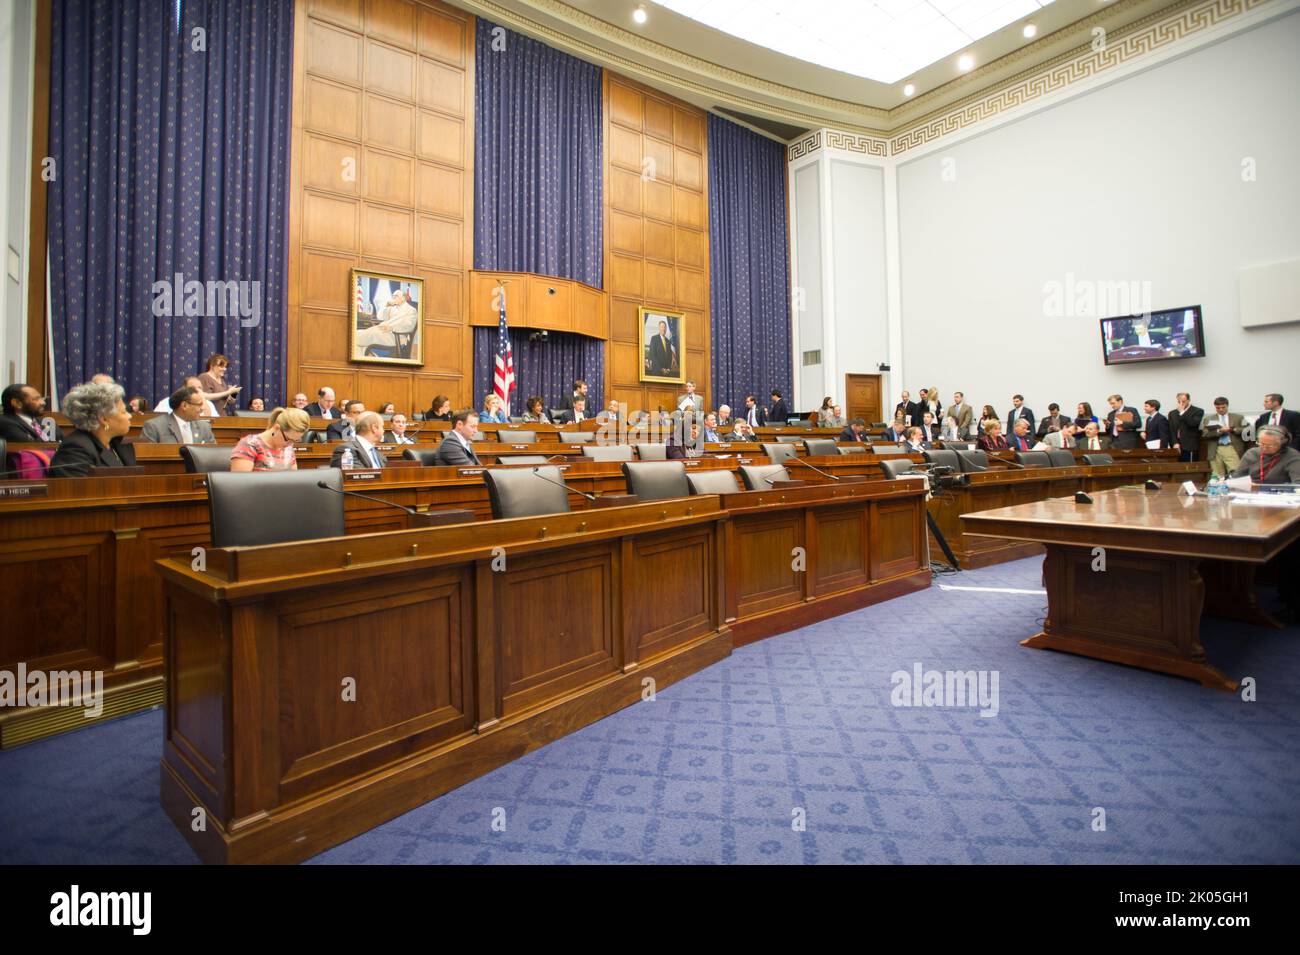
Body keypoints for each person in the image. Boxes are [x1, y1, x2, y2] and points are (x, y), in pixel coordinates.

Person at [48, 381, 136, 477]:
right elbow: (80, 490)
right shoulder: (75, 450)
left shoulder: (120, 445)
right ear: (104, 419)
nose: (129, 416)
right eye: (123, 412)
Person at [230, 407, 307, 471]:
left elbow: (294, 480)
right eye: (288, 439)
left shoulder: (288, 448)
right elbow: (239, 484)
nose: (290, 444)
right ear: (277, 428)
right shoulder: (249, 444)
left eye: (295, 440)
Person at [139, 386, 216, 444]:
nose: (202, 408)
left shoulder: (204, 427)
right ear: (184, 405)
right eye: (199, 404)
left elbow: (214, 456)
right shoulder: (154, 426)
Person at [354, 288, 418, 354]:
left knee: (367, 335)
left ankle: (354, 338)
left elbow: (409, 326)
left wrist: (392, 328)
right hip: (385, 333)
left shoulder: (411, 310)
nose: (394, 298)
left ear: (403, 298)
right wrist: (386, 306)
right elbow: (380, 316)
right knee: (361, 338)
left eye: (396, 296)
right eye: (393, 296)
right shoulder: (393, 308)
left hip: (397, 337)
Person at [1232, 425, 1300, 484]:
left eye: (1269, 445)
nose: (1264, 448)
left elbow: (1297, 483)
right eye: (1261, 444)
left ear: (1282, 444)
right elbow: (1237, 477)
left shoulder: (1293, 457)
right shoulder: (1251, 453)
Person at [1201, 397, 1246, 478]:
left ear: (1227, 406)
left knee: (1235, 473)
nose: (1221, 409)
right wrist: (1219, 431)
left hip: (1231, 447)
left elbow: (1246, 430)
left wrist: (1232, 429)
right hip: (1215, 448)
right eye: (1218, 408)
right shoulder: (1208, 419)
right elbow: (1205, 434)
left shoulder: (1238, 417)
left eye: (1223, 407)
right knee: (1217, 475)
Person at [154, 376, 219, 417]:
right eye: (192, 388)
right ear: (184, 389)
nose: (197, 391)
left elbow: (214, 422)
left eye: (199, 388)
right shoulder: (166, 402)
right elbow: (156, 419)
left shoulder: (209, 404)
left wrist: (203, 401)